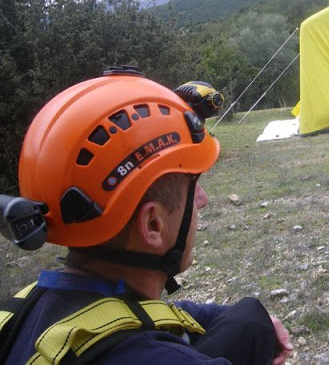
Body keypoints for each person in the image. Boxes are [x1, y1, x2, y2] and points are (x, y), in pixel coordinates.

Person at [0, 66, 293, 365]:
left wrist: (254, 320)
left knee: (248, 320)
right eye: (193, 186)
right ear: (153, 224)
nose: (203, 200)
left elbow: (142, 314)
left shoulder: (22, 311)